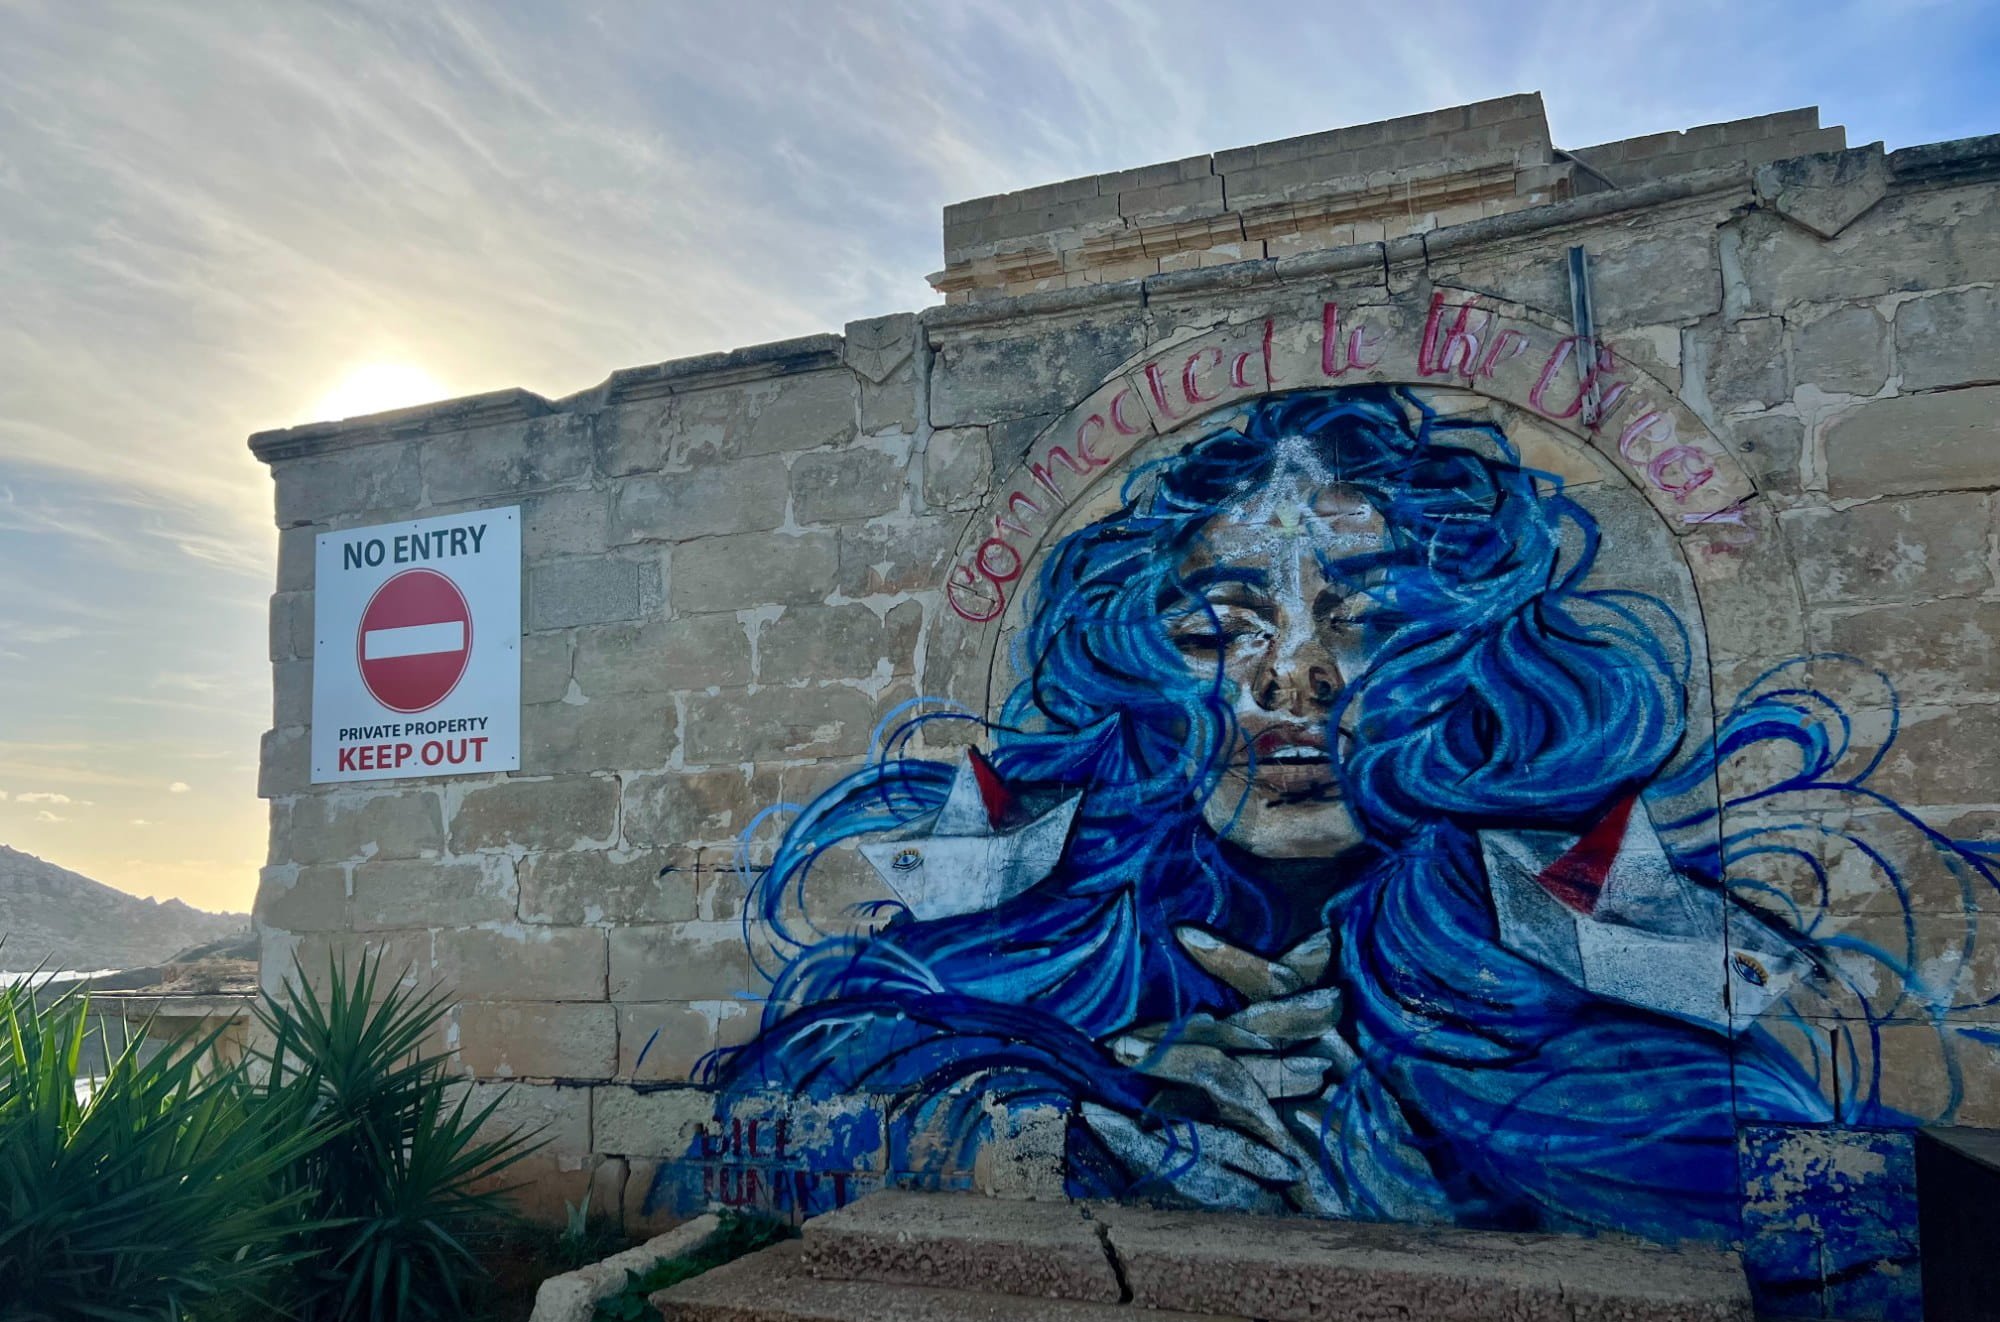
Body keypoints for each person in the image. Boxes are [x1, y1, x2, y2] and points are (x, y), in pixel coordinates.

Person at [697, 386, 1986, 1254]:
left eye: (1361, 617)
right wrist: (1074, 1107)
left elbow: (1804, 1186)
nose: (1289, 676)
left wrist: (1401, 1114)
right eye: (1227, 622)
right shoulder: (1062, 877)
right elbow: (798, 1085)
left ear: (1467, 656)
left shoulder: (1547, 896)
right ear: (1152, 654)